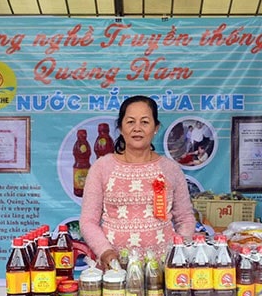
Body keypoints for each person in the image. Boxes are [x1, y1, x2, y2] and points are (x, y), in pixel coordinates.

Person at [80, 95, 196, 268]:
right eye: (130, 122)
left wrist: (176, 253)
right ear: (120, 127)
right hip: (114, 269)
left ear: (156, 128)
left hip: (162, 269)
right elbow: (88, 221)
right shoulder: (102, 167)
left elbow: (185, 218)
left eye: (144, 122)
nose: (137, 128)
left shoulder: (171, 169)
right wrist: (105, 252)